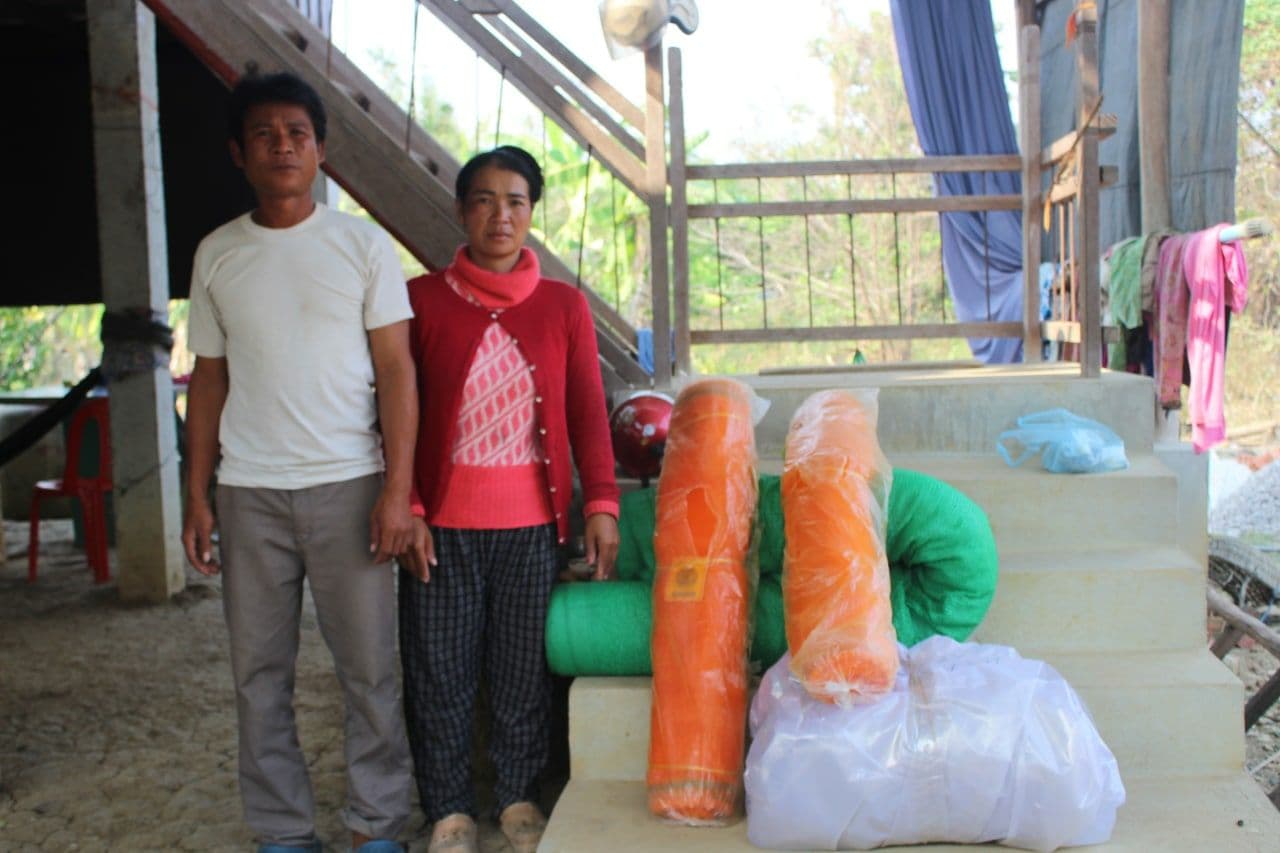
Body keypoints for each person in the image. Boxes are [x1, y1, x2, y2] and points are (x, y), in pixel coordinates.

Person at [182, 71, 421, 853]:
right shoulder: (217, 254)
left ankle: (378, 826)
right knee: (259, 678)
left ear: (320, 149)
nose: (283, 145)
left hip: (350, 486)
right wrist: (198, 492)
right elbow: (208, 380)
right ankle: (284, 833)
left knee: (370, 673)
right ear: (238, 154)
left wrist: (397, 492)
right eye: (264, 134)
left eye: (297, 133)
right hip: (250, 492)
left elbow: (397, 371)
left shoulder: (360, 245)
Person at [398, 145, 620, 853]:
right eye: (486, 200)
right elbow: (393, 412)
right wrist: (406, 503)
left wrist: (602, 503)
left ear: (532, 214)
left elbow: (588, 410)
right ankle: (450, 809)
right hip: (441, 525)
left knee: (521, 668)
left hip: (531, 525)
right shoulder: (419, 299)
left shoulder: (564, 305)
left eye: (517, 201)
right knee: (440, 668)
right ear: (462, 211)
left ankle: (521, 796)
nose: (502, 214)